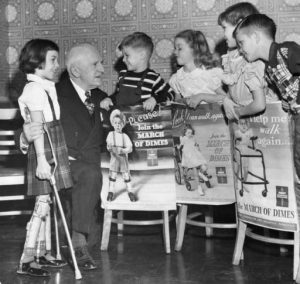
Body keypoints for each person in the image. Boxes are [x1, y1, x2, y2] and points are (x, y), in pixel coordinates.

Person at [20, 43, 112, 271]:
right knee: (88, 175)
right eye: (96, 64)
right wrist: (24, 136)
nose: (102, 68)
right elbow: (30, 122)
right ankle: (76, 243)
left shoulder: (102, 97)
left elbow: (120, 129)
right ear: (76, 71)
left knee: (91, 176)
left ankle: (77, 240)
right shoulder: (52, 92)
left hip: (91, 178)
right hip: (60, 168)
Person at [17, 39, 72, 277]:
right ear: (37, 62)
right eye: (52, 59)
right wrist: (41, 159)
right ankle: (27, 259)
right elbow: (37, 127)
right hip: (43, 149)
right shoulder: (34, 89)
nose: (57, 64)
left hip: (53, 143)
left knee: (47, 203)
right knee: (41, 205)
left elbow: (53, 125)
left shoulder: (45, 85)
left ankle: (42, 254)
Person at [233, 13, 300, 179]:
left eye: (241, 43)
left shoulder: (285, 51)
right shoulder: (268, 68)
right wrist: (287, 101)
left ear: (255, 37)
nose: (240, 50)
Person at [217, 2, 267, 120]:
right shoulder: (232, 57)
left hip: (262, 119)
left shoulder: (252, 61)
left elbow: (259, 104)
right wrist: (227, 100)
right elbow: (234, 88)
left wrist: (237, 112)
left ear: (240, 24)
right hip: (245, 115)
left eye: (225, 28)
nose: (223, 35)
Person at [113, 32, 175, 111]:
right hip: (122, 120)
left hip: (143, 122)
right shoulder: (123, 75)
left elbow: (171, 94)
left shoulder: (152, 78)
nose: (123, 59)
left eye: (127, 55)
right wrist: (110, 99)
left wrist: (155, 99)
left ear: (142, 55)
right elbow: (117, 96)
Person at [169, 29, 227, 108]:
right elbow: (177, 104)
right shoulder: (176, 78)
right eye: (175, 48)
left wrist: (202, 96)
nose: (175, 52)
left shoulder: (209, 73)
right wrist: (184, 101)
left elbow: (224, 97)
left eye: (179, 48)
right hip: (191, 119)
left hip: (213, 118)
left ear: (194, 49)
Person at [106, 109, 136, 202]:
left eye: (119, 123)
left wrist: (123, 150)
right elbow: (108, 146)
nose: (117, 125)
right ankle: (111, 191)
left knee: (126, 175)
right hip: (114, 159)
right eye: (115, 123)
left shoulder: (125, 136)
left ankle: (130, 191)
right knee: (113, 175)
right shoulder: (111, 134)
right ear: (112, 124)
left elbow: (130, 148)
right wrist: (110, 148)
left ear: (123, 124)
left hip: (123, 159)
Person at [179, 124, 211, 195]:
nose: (190, 134)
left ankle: (201, 174)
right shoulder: (184, 138)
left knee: (204, 167)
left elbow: (196, 144)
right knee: (195, 172)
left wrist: (198, 148)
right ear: (185, 133)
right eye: (188, 133)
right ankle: (199, 188)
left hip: (195, 154)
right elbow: (180, 146)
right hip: (188, 157)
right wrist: (178, 147)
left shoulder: (193, 137)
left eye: (191, 132)